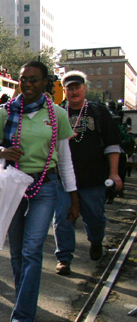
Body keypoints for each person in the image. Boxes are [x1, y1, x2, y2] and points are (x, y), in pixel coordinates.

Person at [0, 61, 78, 322]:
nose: (27, 84)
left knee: (32, 250)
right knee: (17, 253)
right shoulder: (5, 112)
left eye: (34, 80)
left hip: (45, 187)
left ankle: (23, 316)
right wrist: (2, 151)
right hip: (13, 185)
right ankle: (24, 302)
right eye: (23, 79)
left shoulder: (58, 115)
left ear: (45, 82)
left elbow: (66, 160)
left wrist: (74, 199)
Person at [53, 71, 122, 275]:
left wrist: (114, 174)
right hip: (63, 178)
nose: (74, 91)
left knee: (95, 217)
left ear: (84, 89)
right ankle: (64, 257)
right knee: (63, 218)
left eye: (77, 87)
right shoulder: (57, 113)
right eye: (69, 88)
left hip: (93, 178)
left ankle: (96, 241)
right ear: (64, 91)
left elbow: (112, 145)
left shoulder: (98, 111)